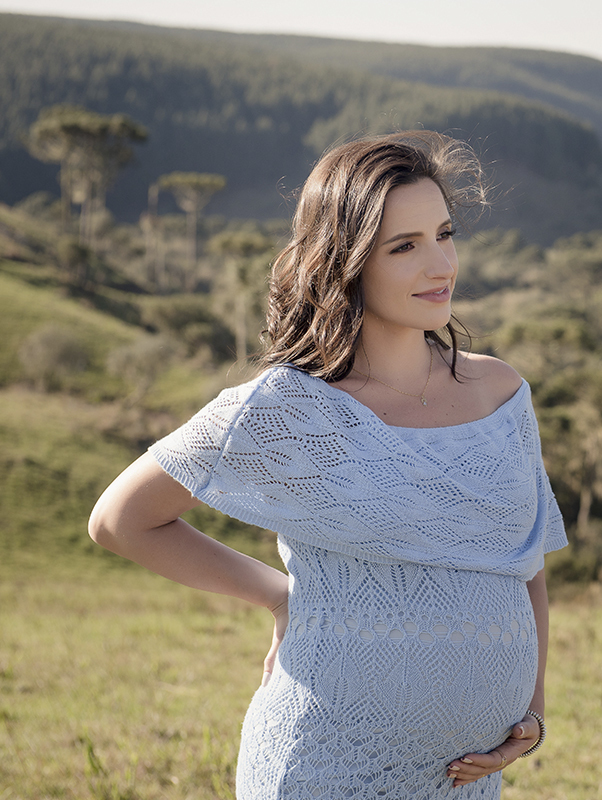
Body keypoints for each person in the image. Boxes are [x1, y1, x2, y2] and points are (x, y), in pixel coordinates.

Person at [88, 131, 568, 799]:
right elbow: (121, 520)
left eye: (444, 233)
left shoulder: (502, 394)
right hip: (325, 770)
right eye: (404, 246)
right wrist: (278, 595)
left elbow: (526, 562)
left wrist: (533, 711)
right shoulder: (286, 408)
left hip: (462, 781)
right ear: (346, 263)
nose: (441, 264)